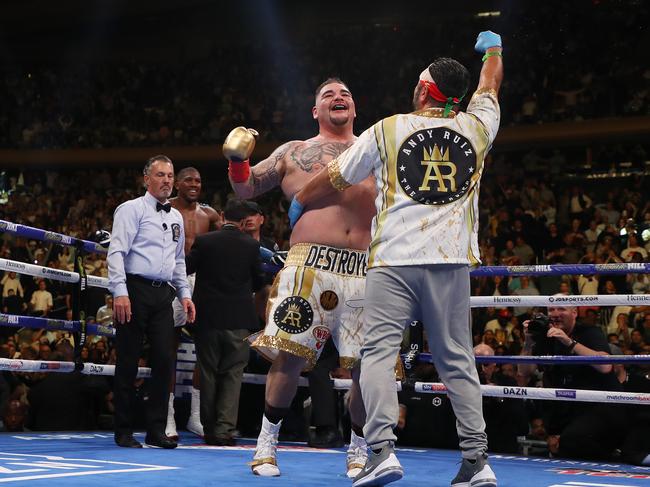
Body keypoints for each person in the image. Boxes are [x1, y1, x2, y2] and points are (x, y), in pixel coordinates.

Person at [290, 31, 503, 487]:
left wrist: (299, 200)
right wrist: (493, 50)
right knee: (457, 360)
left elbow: (335, 176)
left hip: (394, 263)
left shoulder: (387, 129)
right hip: (450, 262)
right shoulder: (478, 126)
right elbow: (489, 87)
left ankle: (382, 451)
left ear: (425, 89)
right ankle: (477, 461)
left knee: (379, 356)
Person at [226, 78, 376, 478]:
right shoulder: (293, 151)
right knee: (290, 358)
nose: (338, 97)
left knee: (366, 364)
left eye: (345, 93)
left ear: (355, 108)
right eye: (328, 95)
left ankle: (359, 450)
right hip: (308, 266)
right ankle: (265, 445)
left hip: (365, 267)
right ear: (315, 111)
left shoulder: (377, 149)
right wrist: (237, 160)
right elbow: (246, 189)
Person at [107, 154, 195, 449]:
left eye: (170, 176)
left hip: (163, 294)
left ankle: (156, 430)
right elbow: (117, 252)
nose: (166, 181)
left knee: (163, 361)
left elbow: (178, 260)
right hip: (133, 290)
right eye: (160, 175)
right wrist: (119, 291)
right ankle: (123, 430)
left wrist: (185, 294)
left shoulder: (176, 217)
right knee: (128, 360)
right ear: (147, 178)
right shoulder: (130, 210)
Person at [185, 199, 265, 445]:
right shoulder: (251, 246)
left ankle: (209, 430)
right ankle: (224, 430)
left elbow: (186, 268)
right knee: (232, 375)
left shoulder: (205, 241)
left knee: (208, 372)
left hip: (207, 319)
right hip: (239, 320)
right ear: (243, 222)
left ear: (222, 216)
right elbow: (259, 283)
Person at [519, 300, 626, 460]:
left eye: (561, 308)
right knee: (561, 446)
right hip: (569, 407)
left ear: (574, 313)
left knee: (572, 440)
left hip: (601, 405)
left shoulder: (589, 331)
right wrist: (528, 342)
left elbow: (605, 366)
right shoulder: (545, 336)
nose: (555, 313)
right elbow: (524, 371)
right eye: (551, 309)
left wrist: (569, 342)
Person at [166, 166, 222, 439]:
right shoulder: (163, 210)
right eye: (188, 179)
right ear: (177, 183)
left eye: (198, 180)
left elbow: (228, 241)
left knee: (205, 349)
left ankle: (196, 417)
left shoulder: (209, 215)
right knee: (169, 347)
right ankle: (168, 417)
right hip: (172, 279)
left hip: (202, 282)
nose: (194, 184)